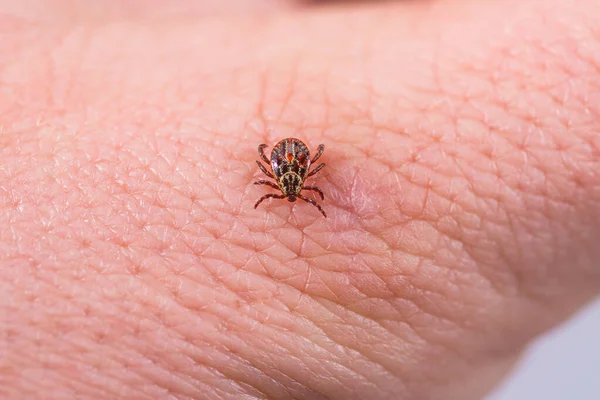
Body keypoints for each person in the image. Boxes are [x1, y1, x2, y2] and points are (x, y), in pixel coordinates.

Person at [1, 0, 599, 398]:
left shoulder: (285, 179)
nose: (289, 188)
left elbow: (278, 159)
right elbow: (287, 160)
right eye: (288, 184)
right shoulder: (294, 179)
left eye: (292, 183)